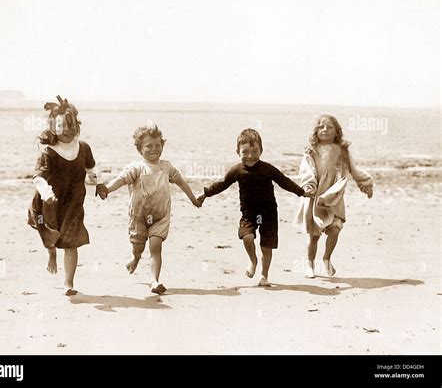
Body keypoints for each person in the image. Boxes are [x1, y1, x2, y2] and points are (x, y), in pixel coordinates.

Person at [197, 128, 312, 286]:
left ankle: (264, 276)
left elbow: (284, 181)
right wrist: (205, 194)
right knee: (248, 237)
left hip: (269, 213)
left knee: (266, 246)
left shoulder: (268, 169)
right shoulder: (237, 170)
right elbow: (222, 184)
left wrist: (301, 192)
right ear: (238, 152)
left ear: (261, 151)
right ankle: (253, 260)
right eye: (245, 152)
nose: (250, 156)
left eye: (255, 151)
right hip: (249, 213)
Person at [98, 123, 201, 294]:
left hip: (160, 216)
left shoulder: (166, 167)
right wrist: (107, 189)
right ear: (139, 149)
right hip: (138, 216)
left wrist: (193, 198)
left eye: (157, 145)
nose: (154, 149)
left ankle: (154, 281)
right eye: (148, 146)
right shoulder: (136, 168)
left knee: (155, 246)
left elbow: (181, 182)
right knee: (138, 246)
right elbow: (121, 179)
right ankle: (136, 258)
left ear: (162, 145)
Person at [28, 96, 107, 296]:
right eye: (63, 125)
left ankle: (68, 283)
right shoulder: (49, 152)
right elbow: (37, 178)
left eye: (73, 125)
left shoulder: (84, 148)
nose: (69, 129)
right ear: (53, 127)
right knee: (51, 234)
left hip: (73, 202)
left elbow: (91, 168)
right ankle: (51, 254)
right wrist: (46, 192)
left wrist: (98, 183)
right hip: (50, 201)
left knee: (71, 240)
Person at [294, 114, 373, 278]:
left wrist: (365, 184)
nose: (325, 130)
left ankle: (327, 258)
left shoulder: (342, 151)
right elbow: (306, 170)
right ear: (316, 131)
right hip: (315, 195)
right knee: (314, 235)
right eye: (321, 127)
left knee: (335, 229)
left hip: (334, 196)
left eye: (330, 127)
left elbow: (354, 169)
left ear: (337, 132)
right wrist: (309, 186)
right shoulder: (311, 150)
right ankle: (309, 265)